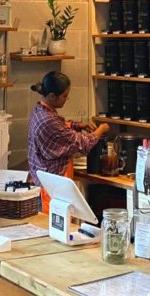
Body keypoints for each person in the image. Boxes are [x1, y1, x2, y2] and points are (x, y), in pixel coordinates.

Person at [27, 71, 109, 212]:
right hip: (51, 186)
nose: (67, 99)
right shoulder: (48, 121)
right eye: (64, 96)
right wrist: (101, 129)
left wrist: (79, 125)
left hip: (45, 180)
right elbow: (83, 143)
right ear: (52, 96)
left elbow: (61, 126)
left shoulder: (40, 110)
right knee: (54, 228)